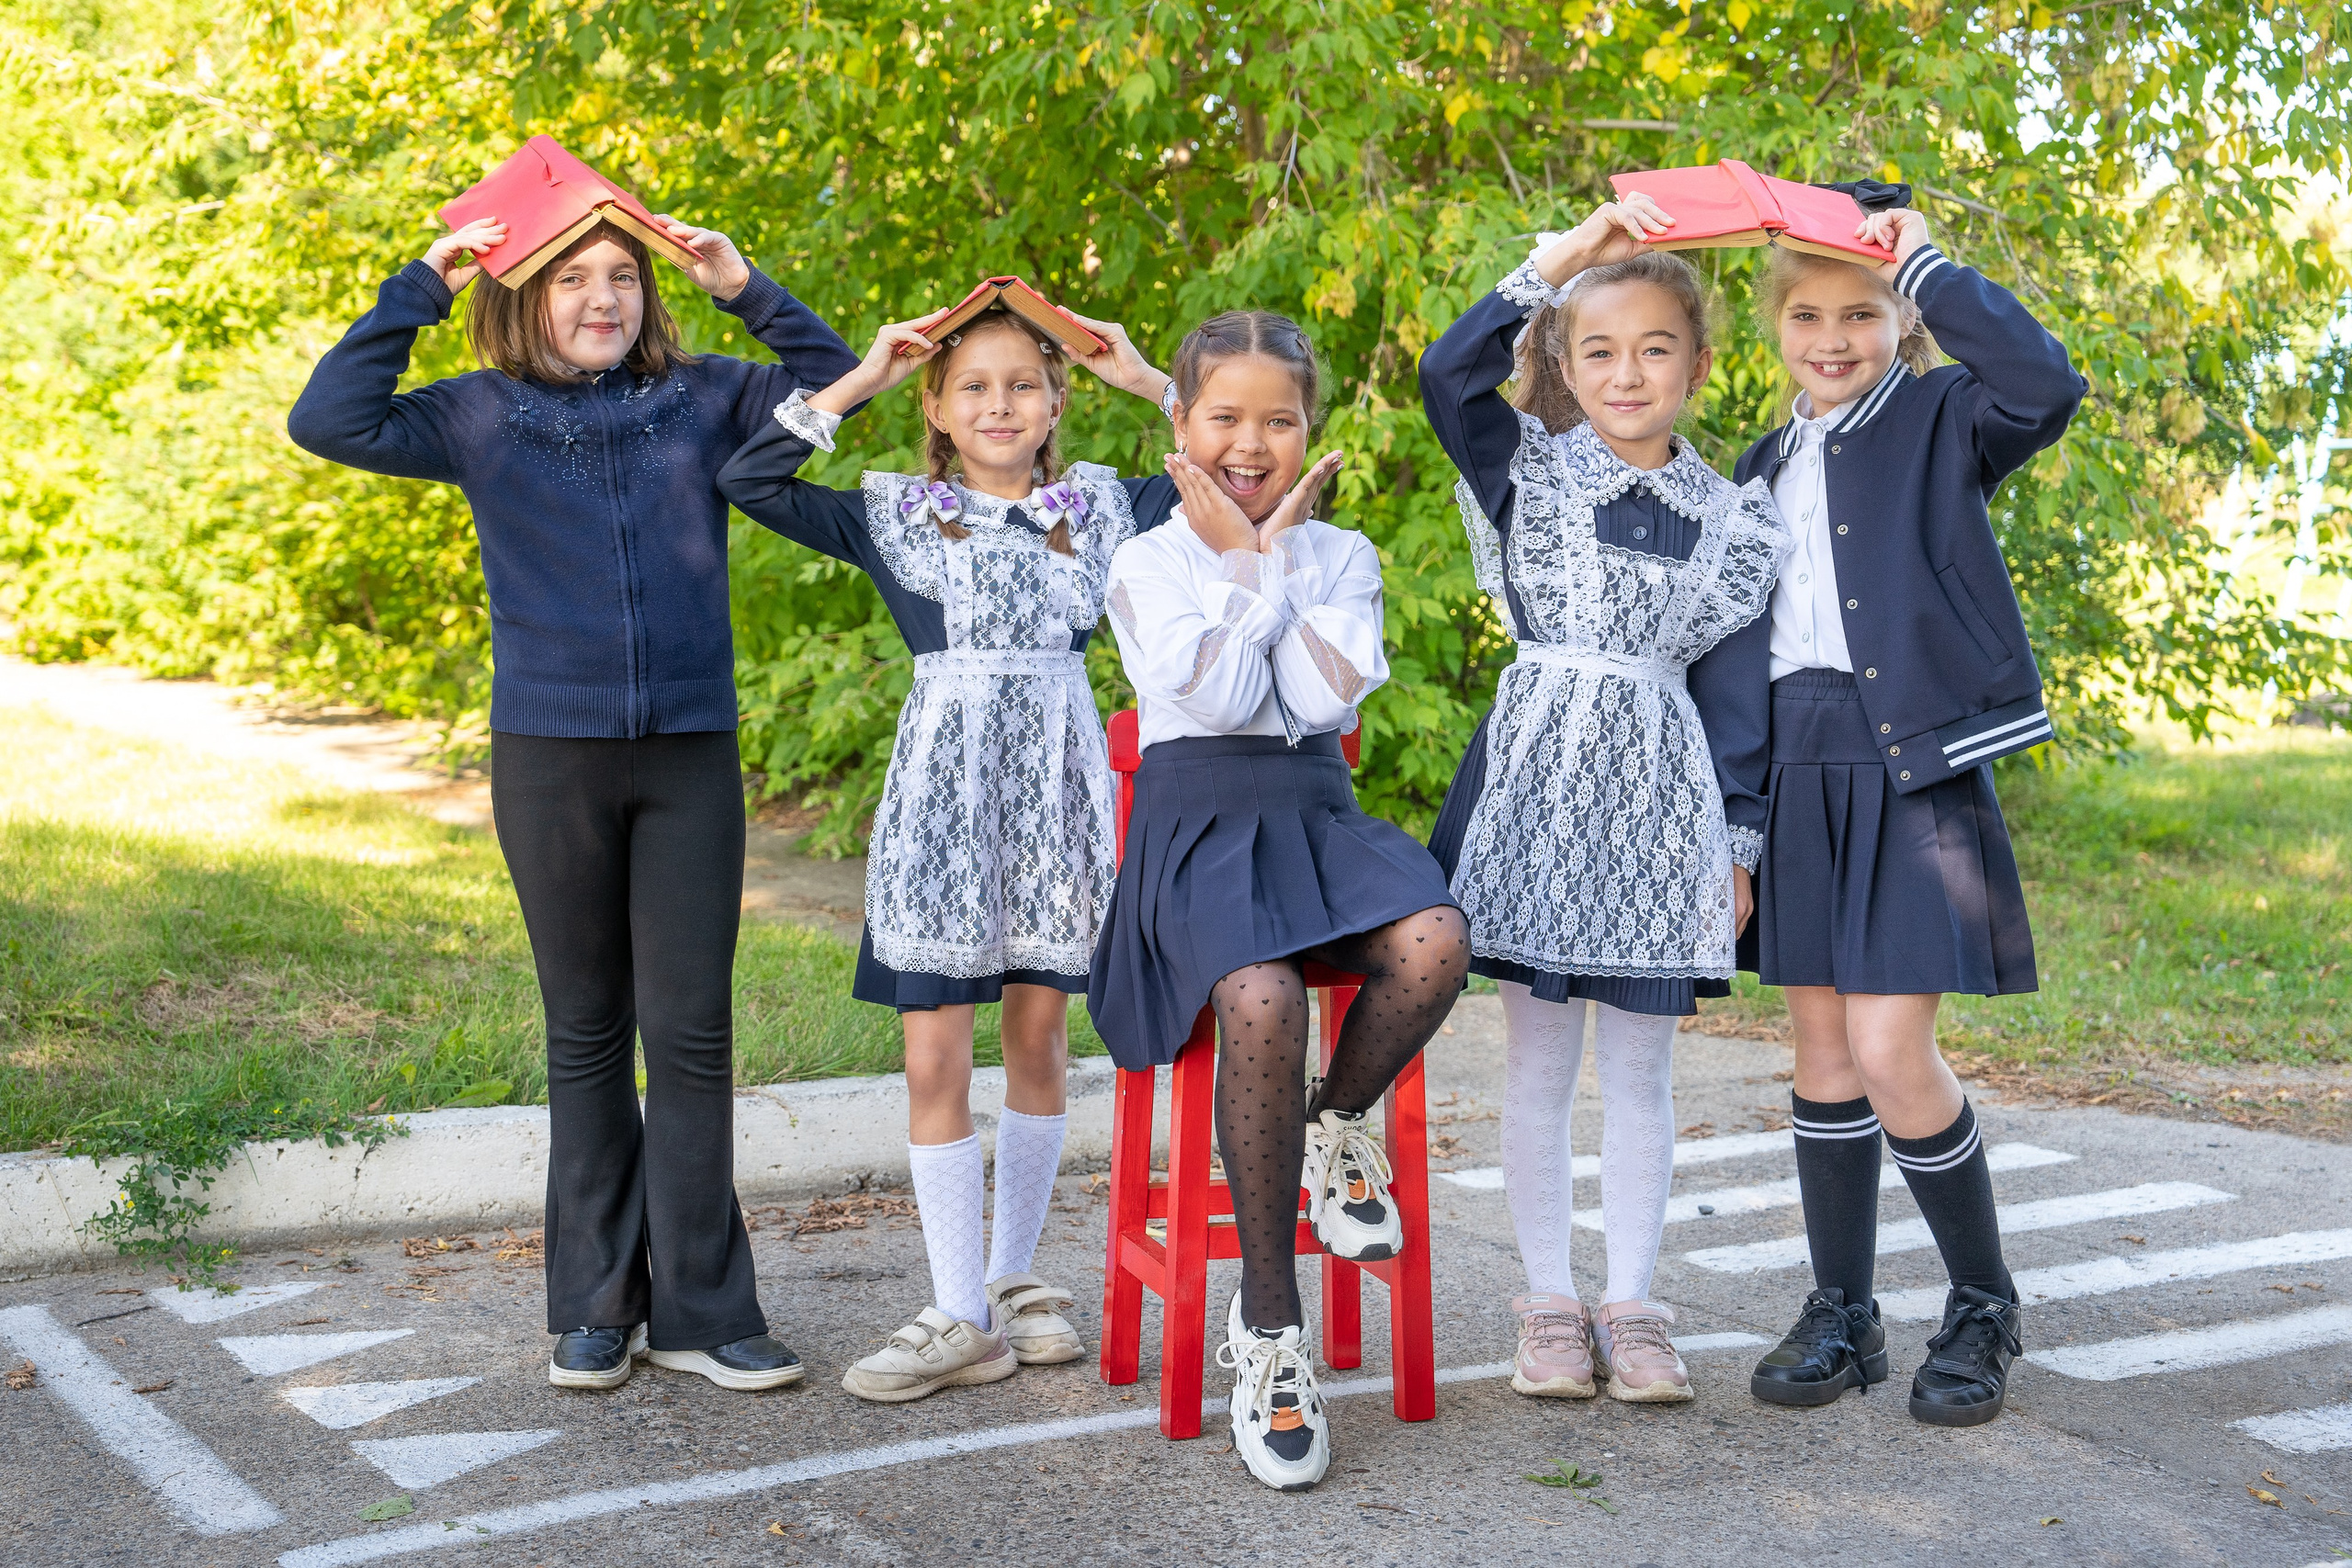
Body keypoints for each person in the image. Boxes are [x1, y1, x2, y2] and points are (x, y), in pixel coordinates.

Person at [287, 212, 860, 1392]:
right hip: (551, 758)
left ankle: (705, 1311)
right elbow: (328, 418)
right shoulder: (478, 413)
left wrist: (744, 285)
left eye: (624, 278)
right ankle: (597, 1305)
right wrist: (418, 287)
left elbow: (843, 383)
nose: (604, 298)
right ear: (521, 295)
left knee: (691, 1038)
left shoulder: (708, 396)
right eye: (572, 280)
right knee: (586, 1032)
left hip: (690, 756)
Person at [716, 305, 1179, 1403]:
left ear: (1057, 402)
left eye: (1024, 386)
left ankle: (1012, 1280)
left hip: (1056, 810)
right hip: (940, 813)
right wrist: (859, 377)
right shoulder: (901, 516)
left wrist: (1149, 379)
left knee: (1037, 1042)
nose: (1000, 406)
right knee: (933, 1057)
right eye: (973, 387)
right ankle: (958, 1309)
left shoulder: (1103, 509)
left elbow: (1230, 460)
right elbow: (751, 481)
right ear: (936, 405)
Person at [1091, 310, 1471, 1492]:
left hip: (1310, 818)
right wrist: (1255, 568)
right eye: (1224, 418)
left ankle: (1334, 1124)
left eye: (1278, 420)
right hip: (1192, 830)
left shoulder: (1344, 554)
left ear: (1310, 430)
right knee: (1255, 993)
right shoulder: (1146, 559)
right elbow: (1199, 693)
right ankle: (1268, 1330)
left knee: (1433, 936)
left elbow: (1307, 700)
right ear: (1182, 426)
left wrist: (1268, 580)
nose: (1250, 444)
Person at [1421, 197, 1787, 1406]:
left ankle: (1633, 1303)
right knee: (1534, 1064)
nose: (1627, 372)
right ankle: (1547, 1302)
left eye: (1654, 348)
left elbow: (1738, 700)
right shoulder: (1525, 470)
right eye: (1599, 349)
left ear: (1698, 362)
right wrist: (1557, 262)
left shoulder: (1735, 520)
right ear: (1566, 365)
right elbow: (1447, 370)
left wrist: (1736, 842)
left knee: (1638, 1073)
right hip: (1535, 790)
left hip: (1659, 807)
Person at [1733, 192, 2085, 1427]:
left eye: (1863, 312)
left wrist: (1924, 259)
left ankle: (1984, 1301)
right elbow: (1736, 654)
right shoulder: (1758, 465)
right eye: (1808, 314)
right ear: (1775, 325)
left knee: (1892, 1050)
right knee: (1825, 1055)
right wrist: (1736, 818)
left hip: (1911, 761)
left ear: (1903, 320)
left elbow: (2046, 381)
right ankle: (1845, 1307)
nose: (1832, 337)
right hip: (1799, 768)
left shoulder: (1946, 415)